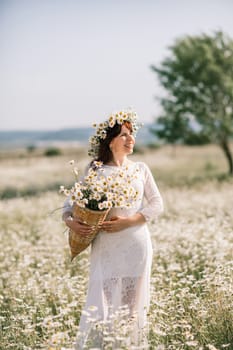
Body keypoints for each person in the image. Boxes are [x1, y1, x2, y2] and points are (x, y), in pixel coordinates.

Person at [62, 109, 163, 349]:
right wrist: (70, 221)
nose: (130, 140)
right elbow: (69, 204)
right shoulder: (95, 169)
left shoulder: (140, 169)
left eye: (131, 134)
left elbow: (157, 204)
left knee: (130, 311)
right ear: (110, 141)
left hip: (136, 244)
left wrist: (130, 221)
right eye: (123, 135)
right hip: (106, 246)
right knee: (104, 307)